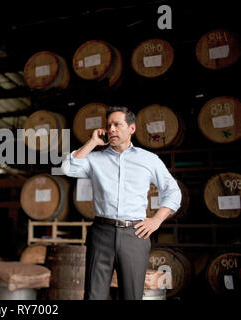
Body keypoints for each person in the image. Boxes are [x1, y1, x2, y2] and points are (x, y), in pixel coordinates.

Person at [61, 106, 182, 300]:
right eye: (109, 125)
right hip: (101, 233)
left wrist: (157, 220)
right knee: (94, 296)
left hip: (135, 234)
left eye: (117, 124)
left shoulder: (149, 160)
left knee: (131, 296)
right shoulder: (95, 159)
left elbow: (173, 192)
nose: (112, 129)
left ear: (131, 129)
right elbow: (67, 168)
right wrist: (92, 142)